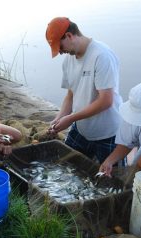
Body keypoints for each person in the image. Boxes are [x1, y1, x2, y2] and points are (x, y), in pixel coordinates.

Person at [45, 17, 122, 163]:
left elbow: (106, 101)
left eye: (60, 47)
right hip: (81, 128)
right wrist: (59, 118)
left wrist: (70, 118)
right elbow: (71, 94)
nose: (60, 52)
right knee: (66, 166)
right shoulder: (68, 60)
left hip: (107, 132)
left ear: (69, 35)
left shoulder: (102, 56)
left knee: (109, 182)